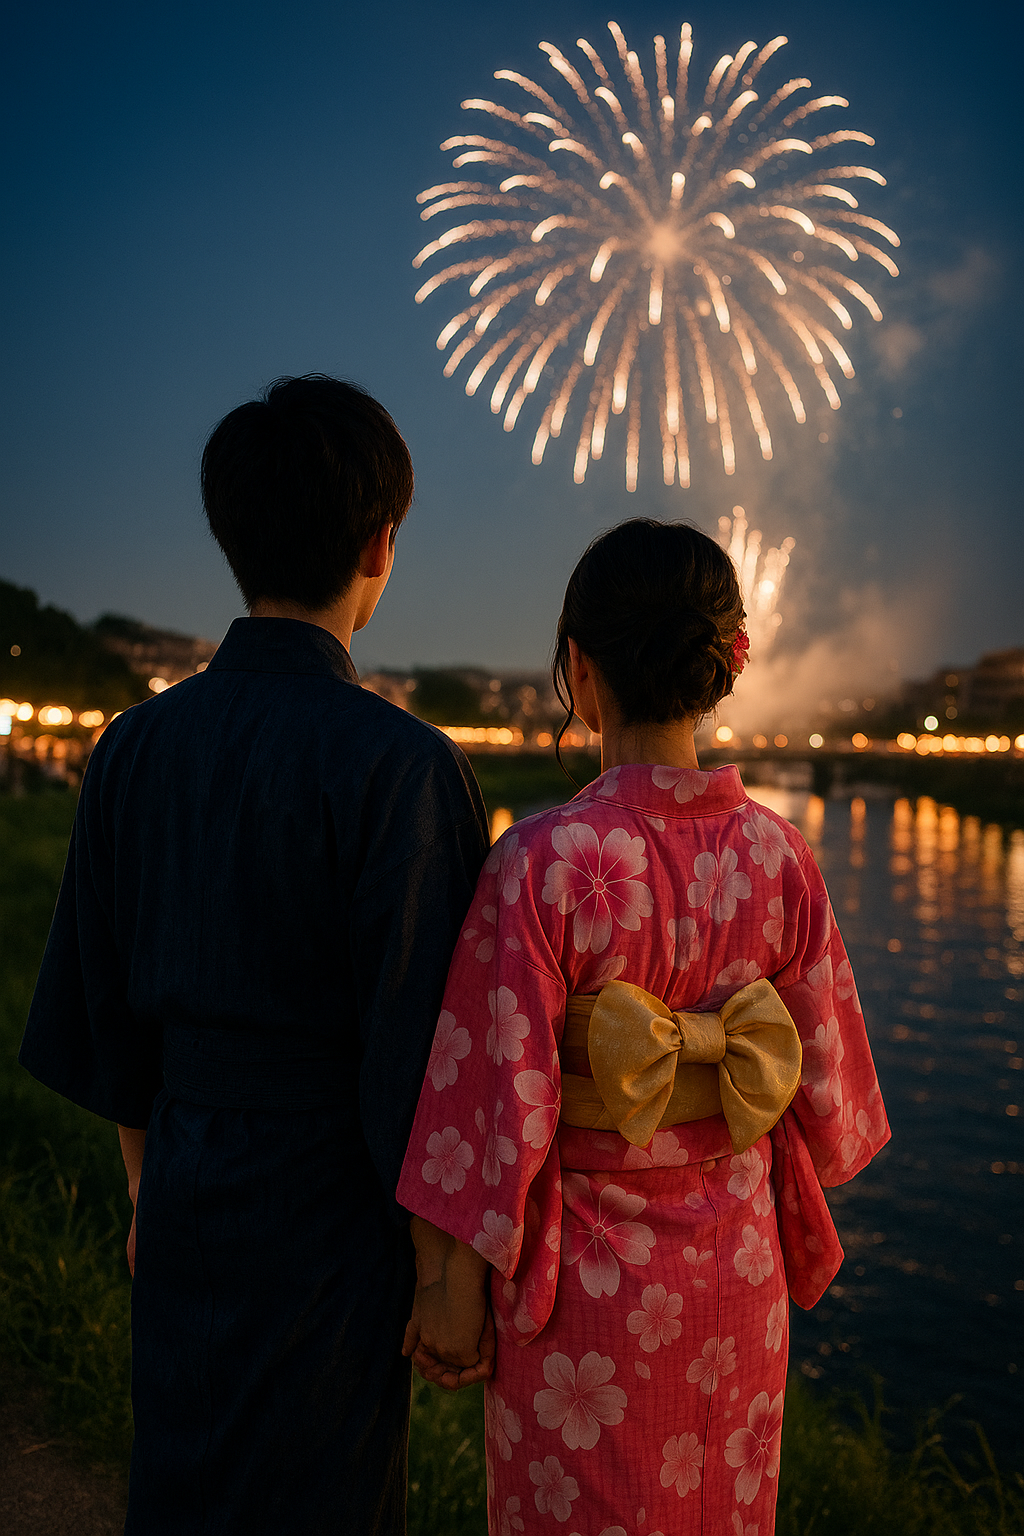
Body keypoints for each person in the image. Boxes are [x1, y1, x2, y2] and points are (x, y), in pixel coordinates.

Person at [19, 374, 491, 1535]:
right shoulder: (405, 767)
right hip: (332, 1215)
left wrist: (146, 1188)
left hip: (184, 1182)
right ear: (380, 544)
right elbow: (428, 1054)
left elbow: (108, 1014)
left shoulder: (132, 748)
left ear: (230, 533)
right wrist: (443, 1275)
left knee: (182, 1481)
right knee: (324, 1496)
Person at [398, 518, 890, 1535]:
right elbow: (827, 1097)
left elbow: (485, 1107)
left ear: (578, 673)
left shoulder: (541, 862)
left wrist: (445, 1289)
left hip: (588, 1291)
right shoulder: (781, 858)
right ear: (722, 670)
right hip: (736, 1283)